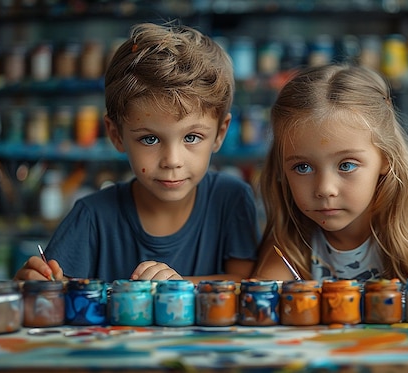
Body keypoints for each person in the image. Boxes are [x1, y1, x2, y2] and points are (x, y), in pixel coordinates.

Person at [14, 22, 260, 283]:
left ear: (219, 134)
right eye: (150, 139)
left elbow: (243, 283)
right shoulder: (92, 216)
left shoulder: (231, 198)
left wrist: (179, 287)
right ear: (116, 135)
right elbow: (53, 290)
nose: (172, 161)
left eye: (191, 137)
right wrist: (36, 286)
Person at [252, 64, 408, 283]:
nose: (325, 188)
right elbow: (261, 299)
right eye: (302, 167)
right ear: (281, 169)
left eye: (346, 165)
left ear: (385, 158)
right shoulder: (291, 234)